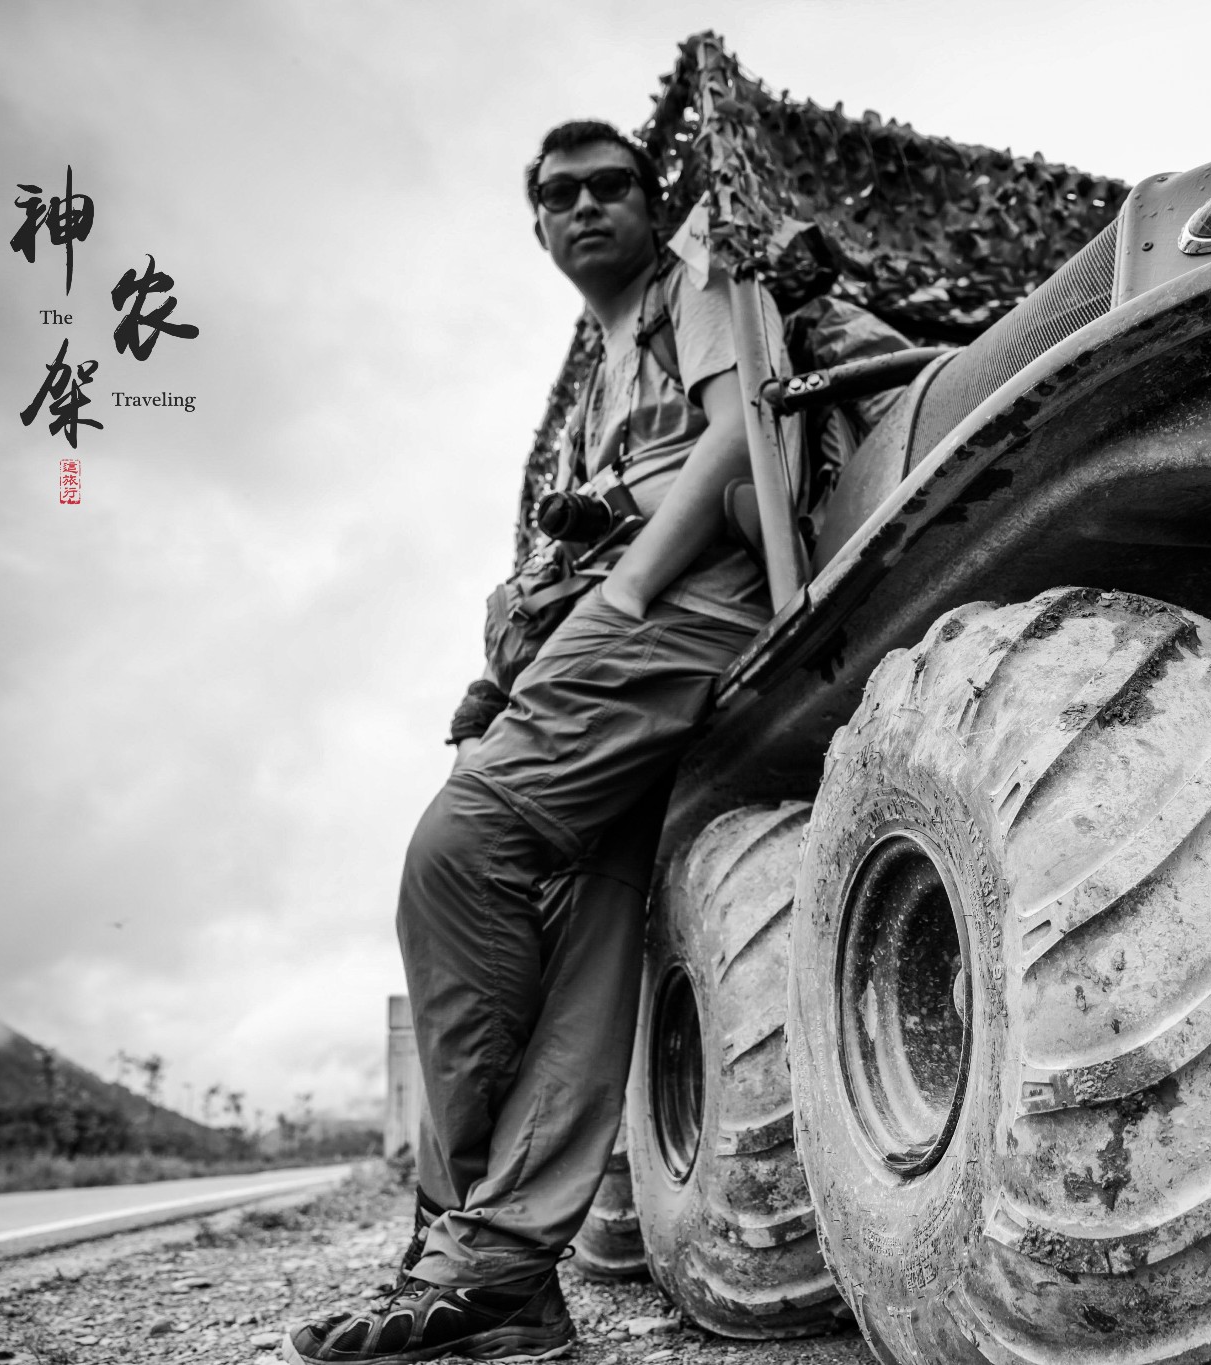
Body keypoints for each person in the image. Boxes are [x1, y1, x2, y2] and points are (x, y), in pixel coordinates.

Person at [284, 119, 771, 1365]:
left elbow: (739, 435)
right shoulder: (590, 381)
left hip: (683, 599)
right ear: (537, 223)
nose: (587, 207)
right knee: (586, 944)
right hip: (609, 627)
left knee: (457, 853)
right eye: (560, 194)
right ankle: (502, 1284)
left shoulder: (692, 287)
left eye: (613, 187)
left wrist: (620, 595)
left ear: (652, 205)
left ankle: (467, 1237)